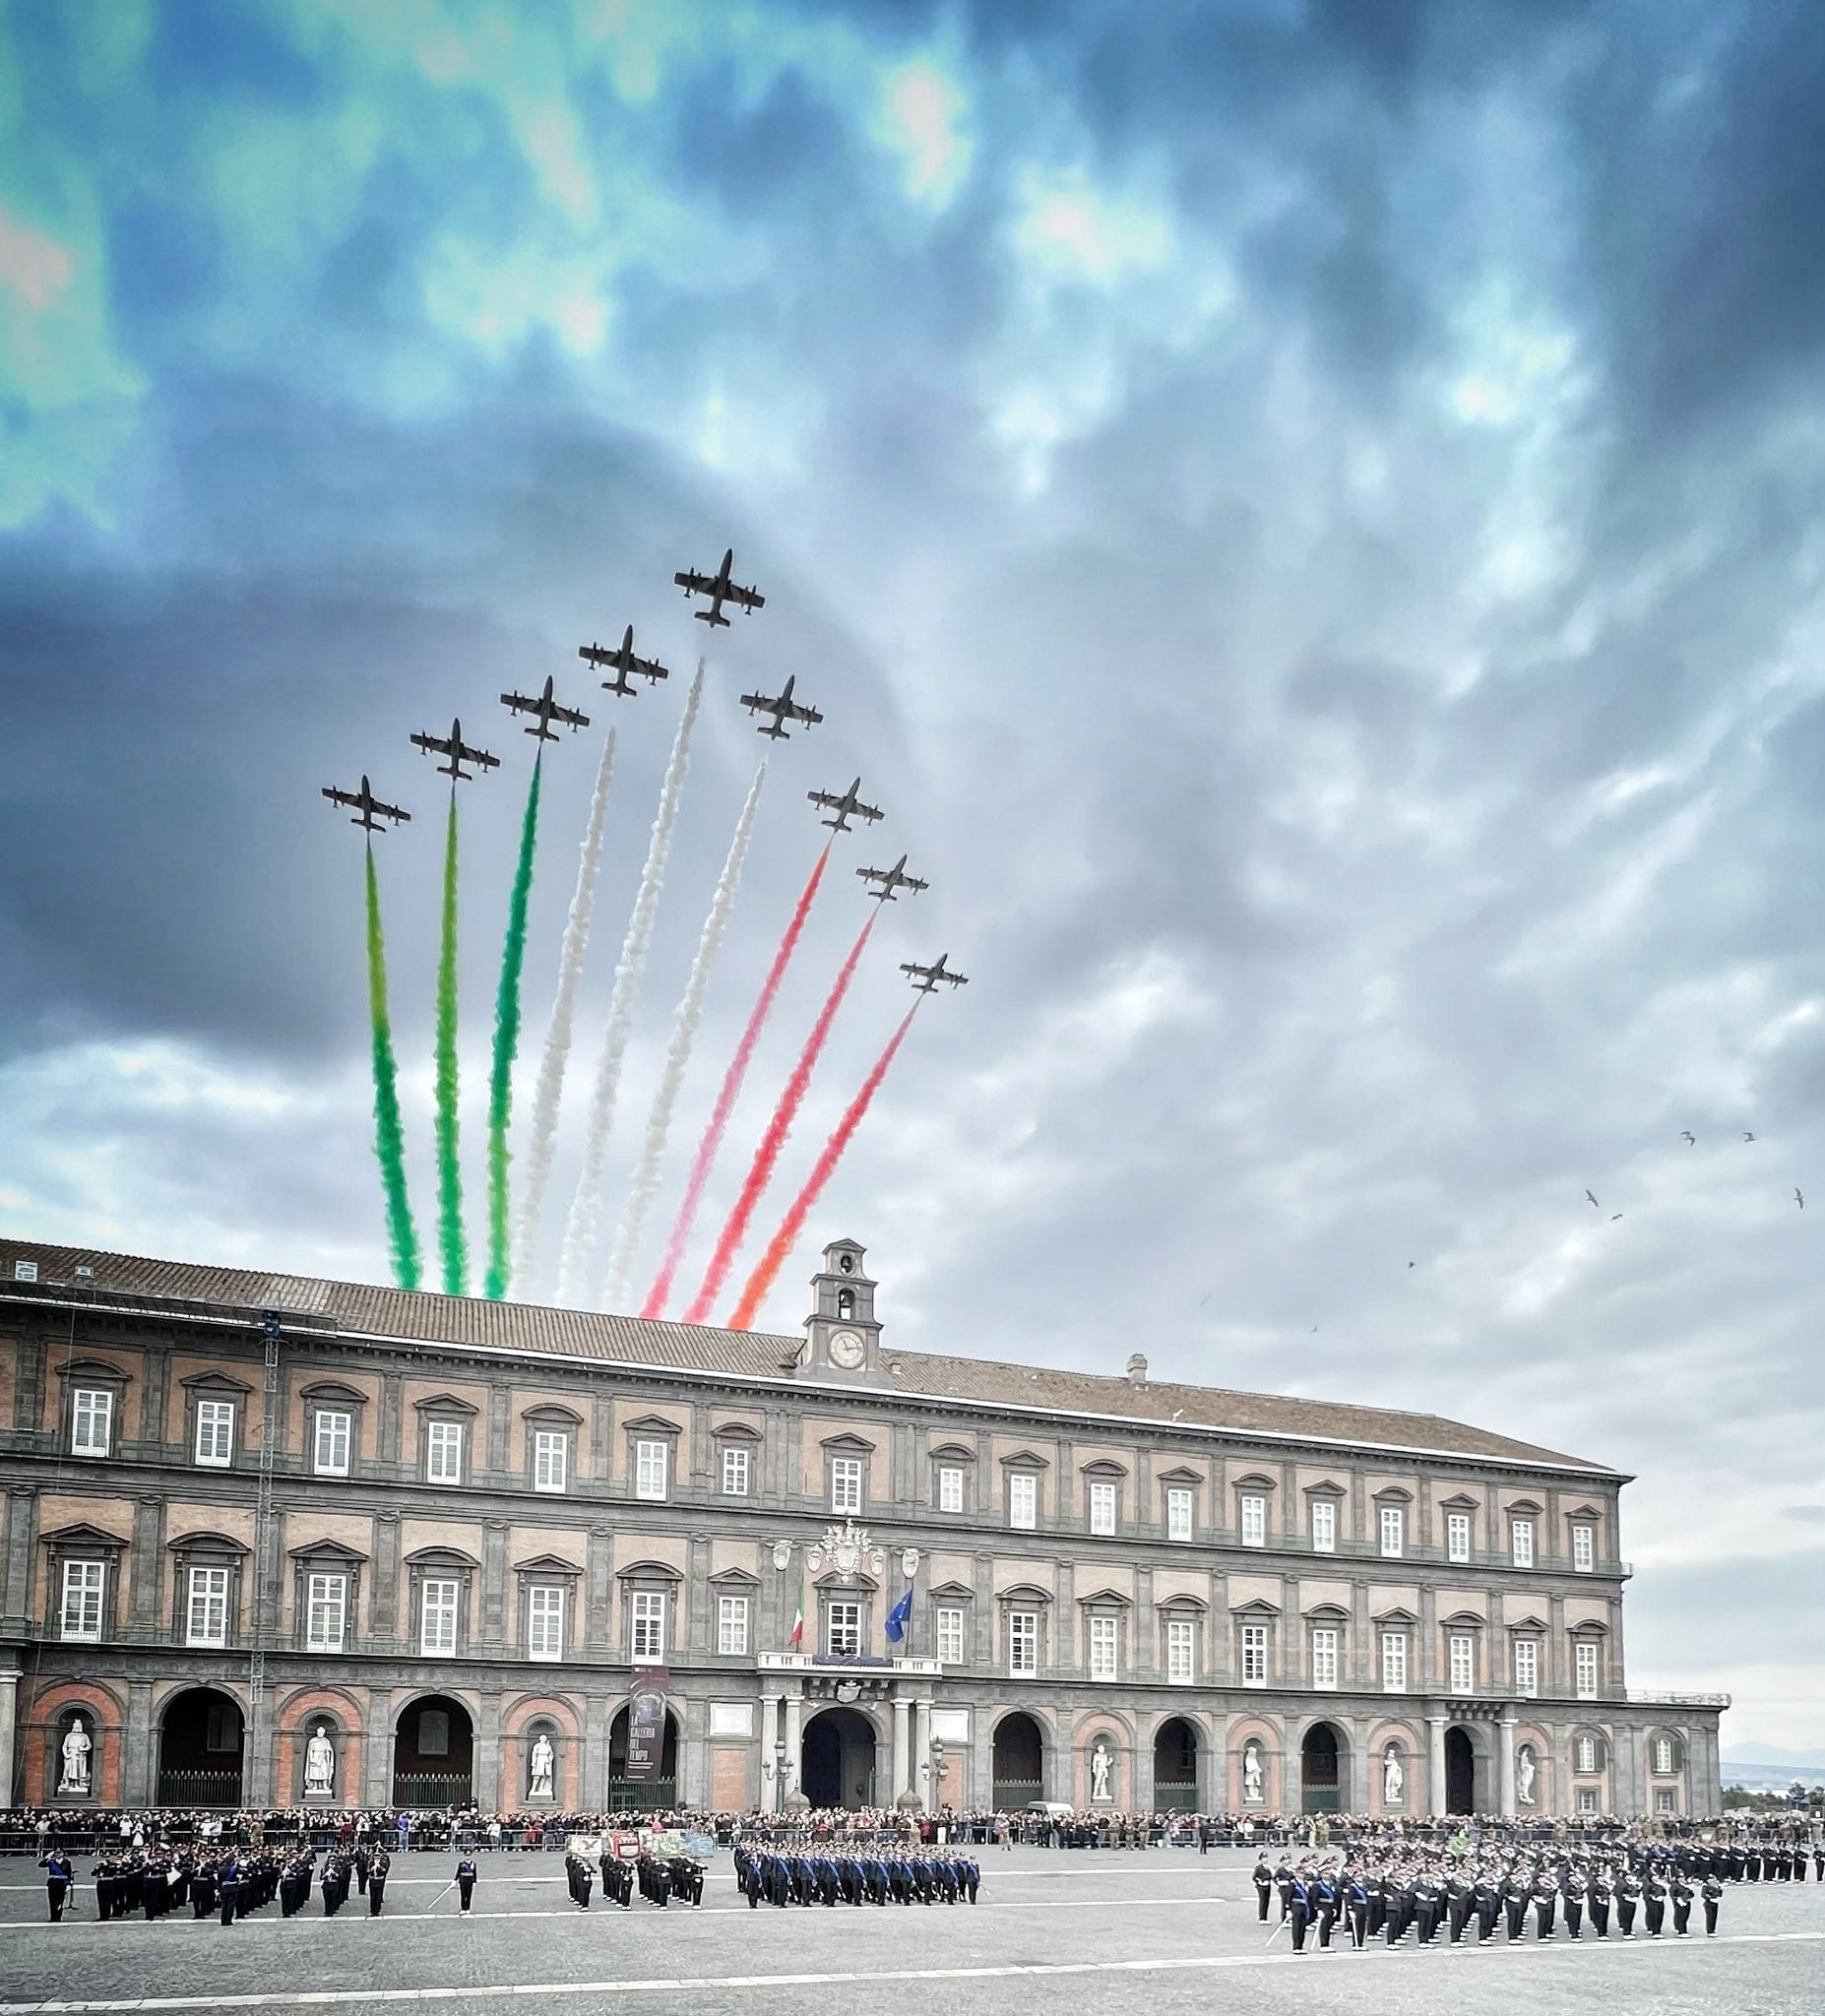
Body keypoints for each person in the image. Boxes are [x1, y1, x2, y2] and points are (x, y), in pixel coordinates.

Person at [40, 1849, 72, 1922]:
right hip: (53, 1883)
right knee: (52, 1901)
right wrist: (47, 1857)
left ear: (63, 1853)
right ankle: (53, 1917)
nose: (58, 1854)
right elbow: (41, 1865)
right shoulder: (51, 1861)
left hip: (62, 1883)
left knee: (60, 1901)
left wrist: (68, 1884)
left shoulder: (67, 1862)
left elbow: (68, 1874)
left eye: (59, 1852)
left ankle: (58, 1917)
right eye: (56, 1852)